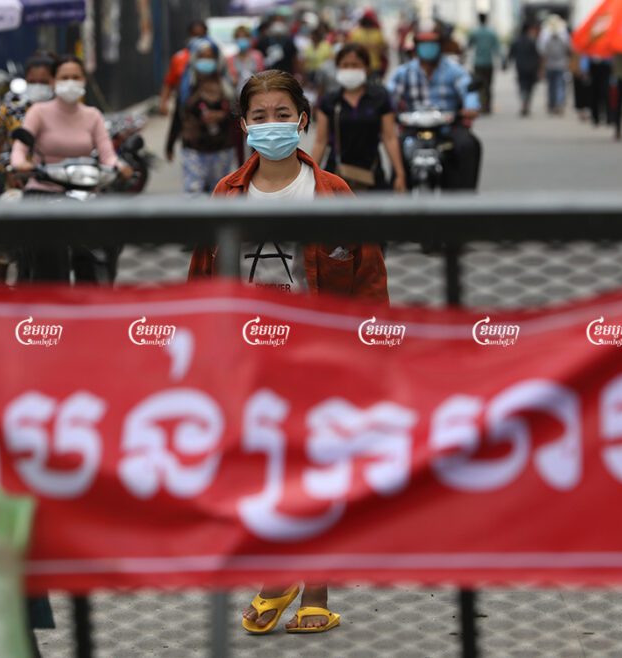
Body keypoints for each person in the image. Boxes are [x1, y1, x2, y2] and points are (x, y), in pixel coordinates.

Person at [190, 71, 386, 632]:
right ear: (243, 124)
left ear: (302, 120)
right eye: (260, 115)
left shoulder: (334, 193)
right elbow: (204, 274)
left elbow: (370, 277)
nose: (271, 124)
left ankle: (313, 589)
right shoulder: (227, 192)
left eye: (283, 114)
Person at [10, 56, 131, 282]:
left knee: (110, 237)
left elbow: (107, 155)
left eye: (76, 77)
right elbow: (19, 148)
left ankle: (97, 294)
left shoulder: (92, 115)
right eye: (64, 77)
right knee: (47, 248)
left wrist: (120, 167)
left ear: (84, 80)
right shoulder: (38, 112)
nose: (70, 82)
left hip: (85, 192)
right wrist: (21, 163)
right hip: (43, 190)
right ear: (54, 82)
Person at [388, 25, 482, 190]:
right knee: (396, 150)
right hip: (413, 128)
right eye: (423, 43)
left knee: (468, 145)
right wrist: (387, 111)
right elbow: (389, 96)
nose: (428, 48)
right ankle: (400, 198)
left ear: (441, 45)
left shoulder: (454, 70)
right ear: (416, 47)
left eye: (432, 43)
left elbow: (468, 90)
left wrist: (471, 107)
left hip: (448, 127)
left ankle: (465, 201)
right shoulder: (404, 72)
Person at [311, 44, 406, 192]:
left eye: (355, 65)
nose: (350, 69)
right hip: (336, 173)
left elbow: (390, 138)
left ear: (366, 68)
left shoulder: (379, 97)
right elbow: (320, 142)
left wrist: (400, 173)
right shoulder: (329, 101)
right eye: (345, 65)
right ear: (338, 68)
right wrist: (311, 176)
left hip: (373, 174)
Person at [0, 53, 56, 178]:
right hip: (21, 187)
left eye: (43, 82)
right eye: (32, 82)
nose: (38, 86)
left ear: (55, 81)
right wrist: (7, 166)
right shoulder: (12, 111)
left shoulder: (68, 111)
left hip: (63, 184)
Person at [165, 40, 235, 195]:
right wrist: (169, 145)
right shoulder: (187, 86)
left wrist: (221, 116)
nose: (206, 61)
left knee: (219, 193)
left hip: (221, 147)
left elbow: (238, 115)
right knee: (193, 193)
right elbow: (178, 116)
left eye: (210, 57)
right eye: (202, 57)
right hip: (193, 147)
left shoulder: (226, 86)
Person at [158, 20, 208, 116]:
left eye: (200, 36)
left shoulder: (215, 57)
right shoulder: (179, 58)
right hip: (185, 105)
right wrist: (163, 103)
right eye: (194, 35)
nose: (197, 39)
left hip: (210, 106)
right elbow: (169, 82)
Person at [468, 13, 501, 114]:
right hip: (488, 62)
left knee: (479, 85)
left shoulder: (475, 32)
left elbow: (469, 45)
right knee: (488, 85)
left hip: (478, 63)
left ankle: (481, 106)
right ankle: (487, 107)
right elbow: (497, 48)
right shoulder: (491, 33)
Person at [507, 22, 542, 117]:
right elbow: (537, 55)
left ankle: (523, 104)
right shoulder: (532, 41)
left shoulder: (516, 41)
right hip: (531, 68)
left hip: (520, 68)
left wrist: (506, 64)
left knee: (522, 87)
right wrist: (539, 68)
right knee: (530, 88)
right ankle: (527, 105)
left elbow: (511, 54)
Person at [538, 17, 570, 116]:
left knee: (551, 86)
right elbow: (568, 50)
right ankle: (559, 104)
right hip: (561, 65)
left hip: (550, 66)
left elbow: (543, 53)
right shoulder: (563, 39)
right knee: (560, 85)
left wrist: (542, 68)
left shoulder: (546, 40)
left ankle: (552, 104)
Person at [348, 9, 388, 81]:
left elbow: (350, 49)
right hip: (373, 66)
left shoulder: (355, 33)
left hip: (362, 66)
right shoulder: (378, 33)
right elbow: (384, 50)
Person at [588, 57, 614, 126]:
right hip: (594, 66)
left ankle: (609, 117)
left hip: (606, 66)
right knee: (594, 94)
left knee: (606, 94)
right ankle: (595, 118)